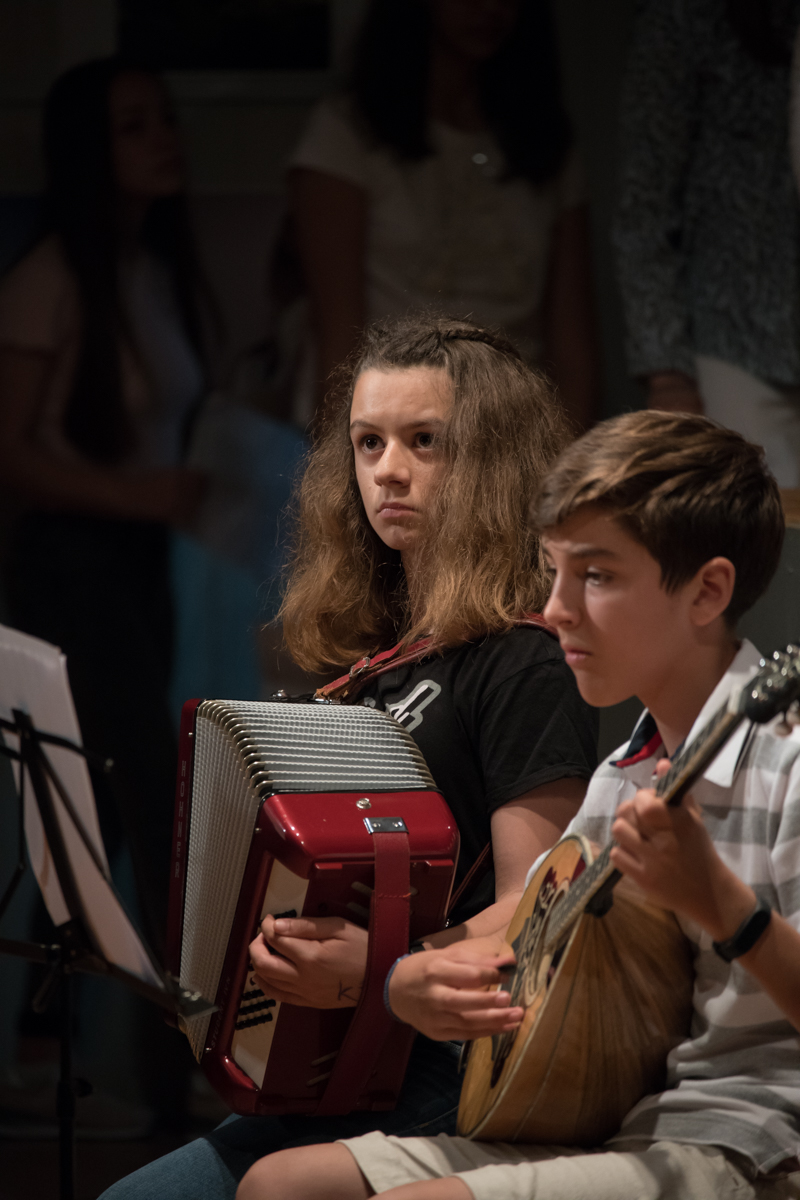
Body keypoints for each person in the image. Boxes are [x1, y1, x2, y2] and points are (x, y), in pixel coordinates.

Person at [239, 409, 800, 1200]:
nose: (558, 608)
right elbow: (538, 943)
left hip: (754, 1142)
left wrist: (721, 903)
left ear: (707, 591)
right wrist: (396, 981)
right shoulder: (622, 775)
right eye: (552, 570)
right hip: (622, 1118)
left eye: (596, 576)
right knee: (281, 1185)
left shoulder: (787, 764)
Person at [100, 316, 598, 1197]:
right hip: (346, 1061)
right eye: (368, 442)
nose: (387, 471)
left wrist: (375, 970)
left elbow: (535, 909)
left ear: (494, 460)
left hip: (446, 1070)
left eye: (424, 441)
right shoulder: (382, 661)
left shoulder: (524, 658)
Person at [0, 58, 208, 951]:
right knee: (129, 797)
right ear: (90, 150)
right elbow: (8, 453)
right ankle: (179, 1014)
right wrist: (135, 495)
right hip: (69, 562)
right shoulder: (50, 278)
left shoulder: (150, 270)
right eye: (133, 126)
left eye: (164, 117)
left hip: (140, 559)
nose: (163, 139)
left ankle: (75, 1020)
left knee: (115, 811)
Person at [288, 0, 599, 429]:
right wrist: (350, 454)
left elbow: (573, 343)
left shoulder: (545, 144)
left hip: (514, 429)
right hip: (393, 422)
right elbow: (337, 336)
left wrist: (568, 459)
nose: (491, 6)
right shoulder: (346, 134)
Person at [614, 0, 800, 486]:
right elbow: (644, 202)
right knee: (747, 508)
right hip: (733, 336)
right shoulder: (687, 18)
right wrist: (667, 373)